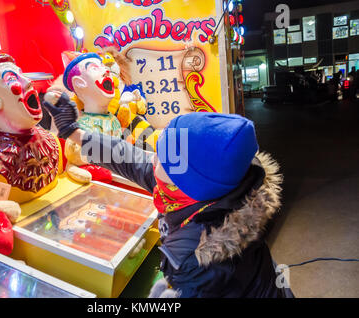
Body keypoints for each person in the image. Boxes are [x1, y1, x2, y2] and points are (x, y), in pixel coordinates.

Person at [44, 93, 294, 298]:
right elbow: (125, 156)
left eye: (163, 158)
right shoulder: (192, 189)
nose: (152, 158)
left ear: (189, 183)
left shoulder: (201, 258)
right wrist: (72, 131)